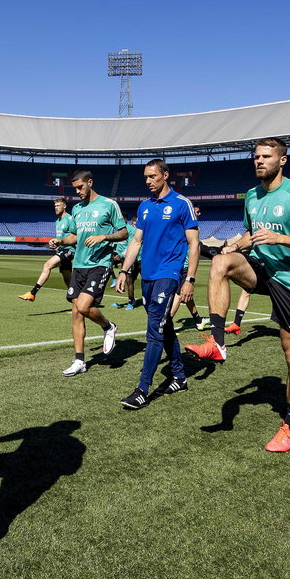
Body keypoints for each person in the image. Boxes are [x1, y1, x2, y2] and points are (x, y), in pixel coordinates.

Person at [185, 138, 290, 452]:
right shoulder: (251, 195)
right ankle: (218, 342)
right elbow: (252, 232)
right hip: (260, 268)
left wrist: (281, 238)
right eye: (256, 157)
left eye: (266, 156)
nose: (259, 161)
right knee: (221, 262)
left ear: (283, 160)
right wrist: (236, 245)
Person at [115, 159, 199, 409]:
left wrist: (190, 279)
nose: (149, 181)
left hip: (169, 274)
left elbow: (194, 243)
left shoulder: (182, 204)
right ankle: (180, 377)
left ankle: (142, 389)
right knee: (165, 326)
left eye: (153, 176)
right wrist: (124, 270)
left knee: (154, 331)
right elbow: (136, 241)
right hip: (147, 276)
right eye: (146, 177)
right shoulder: (144, 207)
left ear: (165, 175)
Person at [55, 170, 126, 376]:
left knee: (84, 306)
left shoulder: (108, 204)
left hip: (100, 265)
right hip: (79, 265)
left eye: (81, 187)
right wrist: (61, 241)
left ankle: (108, 326)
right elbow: (74, 237)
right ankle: (79, 361)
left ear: (90, 182)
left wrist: (104, 236)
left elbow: (122, 232)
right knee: (77, 313)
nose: (77, 192)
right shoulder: (77, 209)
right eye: (75, 188)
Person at [18, 198, 76, 301]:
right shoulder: (57, 221)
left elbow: (75, 236)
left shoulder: (70, 219)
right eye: (55, 206)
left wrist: (61, 241)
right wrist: (55, 244)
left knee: (47, 265)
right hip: (61, 250)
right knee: (68, 279)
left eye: (58, 206)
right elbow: (60, 238)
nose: (56, 208)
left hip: (69, 250)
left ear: (64, 206)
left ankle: (33, 293)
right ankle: (77, 301)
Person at [171, 205, 208, 329]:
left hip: (180, 265)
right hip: (183, 266)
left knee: (186, 294)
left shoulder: (185, 225)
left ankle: (198, 320)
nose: (199, 214)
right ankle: (165, 325)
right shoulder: (188, 226)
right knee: (179, 294)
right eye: (197, 211)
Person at [112, 217, 140, 309]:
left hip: (133, 258)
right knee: (126, 279)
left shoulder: (131, 230)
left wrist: (122, 254)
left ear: (124, 219)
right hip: (123, 258)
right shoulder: (118, 230)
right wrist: (116, 253)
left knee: (129, 279)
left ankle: (131, 302)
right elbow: (117, 243)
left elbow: (131, 245)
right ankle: (130, 300)